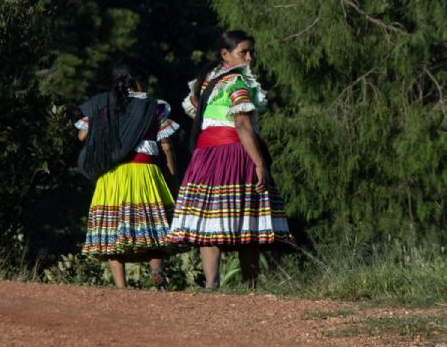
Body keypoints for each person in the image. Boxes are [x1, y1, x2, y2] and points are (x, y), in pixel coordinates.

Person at [167, 30, 294, 289]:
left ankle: (211, 285)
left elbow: (202, 113)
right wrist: (259, 163)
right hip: (235, 154)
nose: (249, 58)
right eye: (243, 52)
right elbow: (242, 123)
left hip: (205, 157)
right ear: (225, 54)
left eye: (251, 52)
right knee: (247, 220)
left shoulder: (206, 81)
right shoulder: (239, 82)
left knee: (209, 220)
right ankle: (251, 286)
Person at [75, 58, 179, 289]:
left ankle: (121, 288)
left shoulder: (101, 105)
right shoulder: (154, 107)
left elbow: (82, 136)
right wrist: (172, 177)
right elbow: (167, 146)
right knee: (154, 227)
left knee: (114, 230)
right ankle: (156, 271)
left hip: (113, 175)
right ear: (139, 83)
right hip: (145, 172)